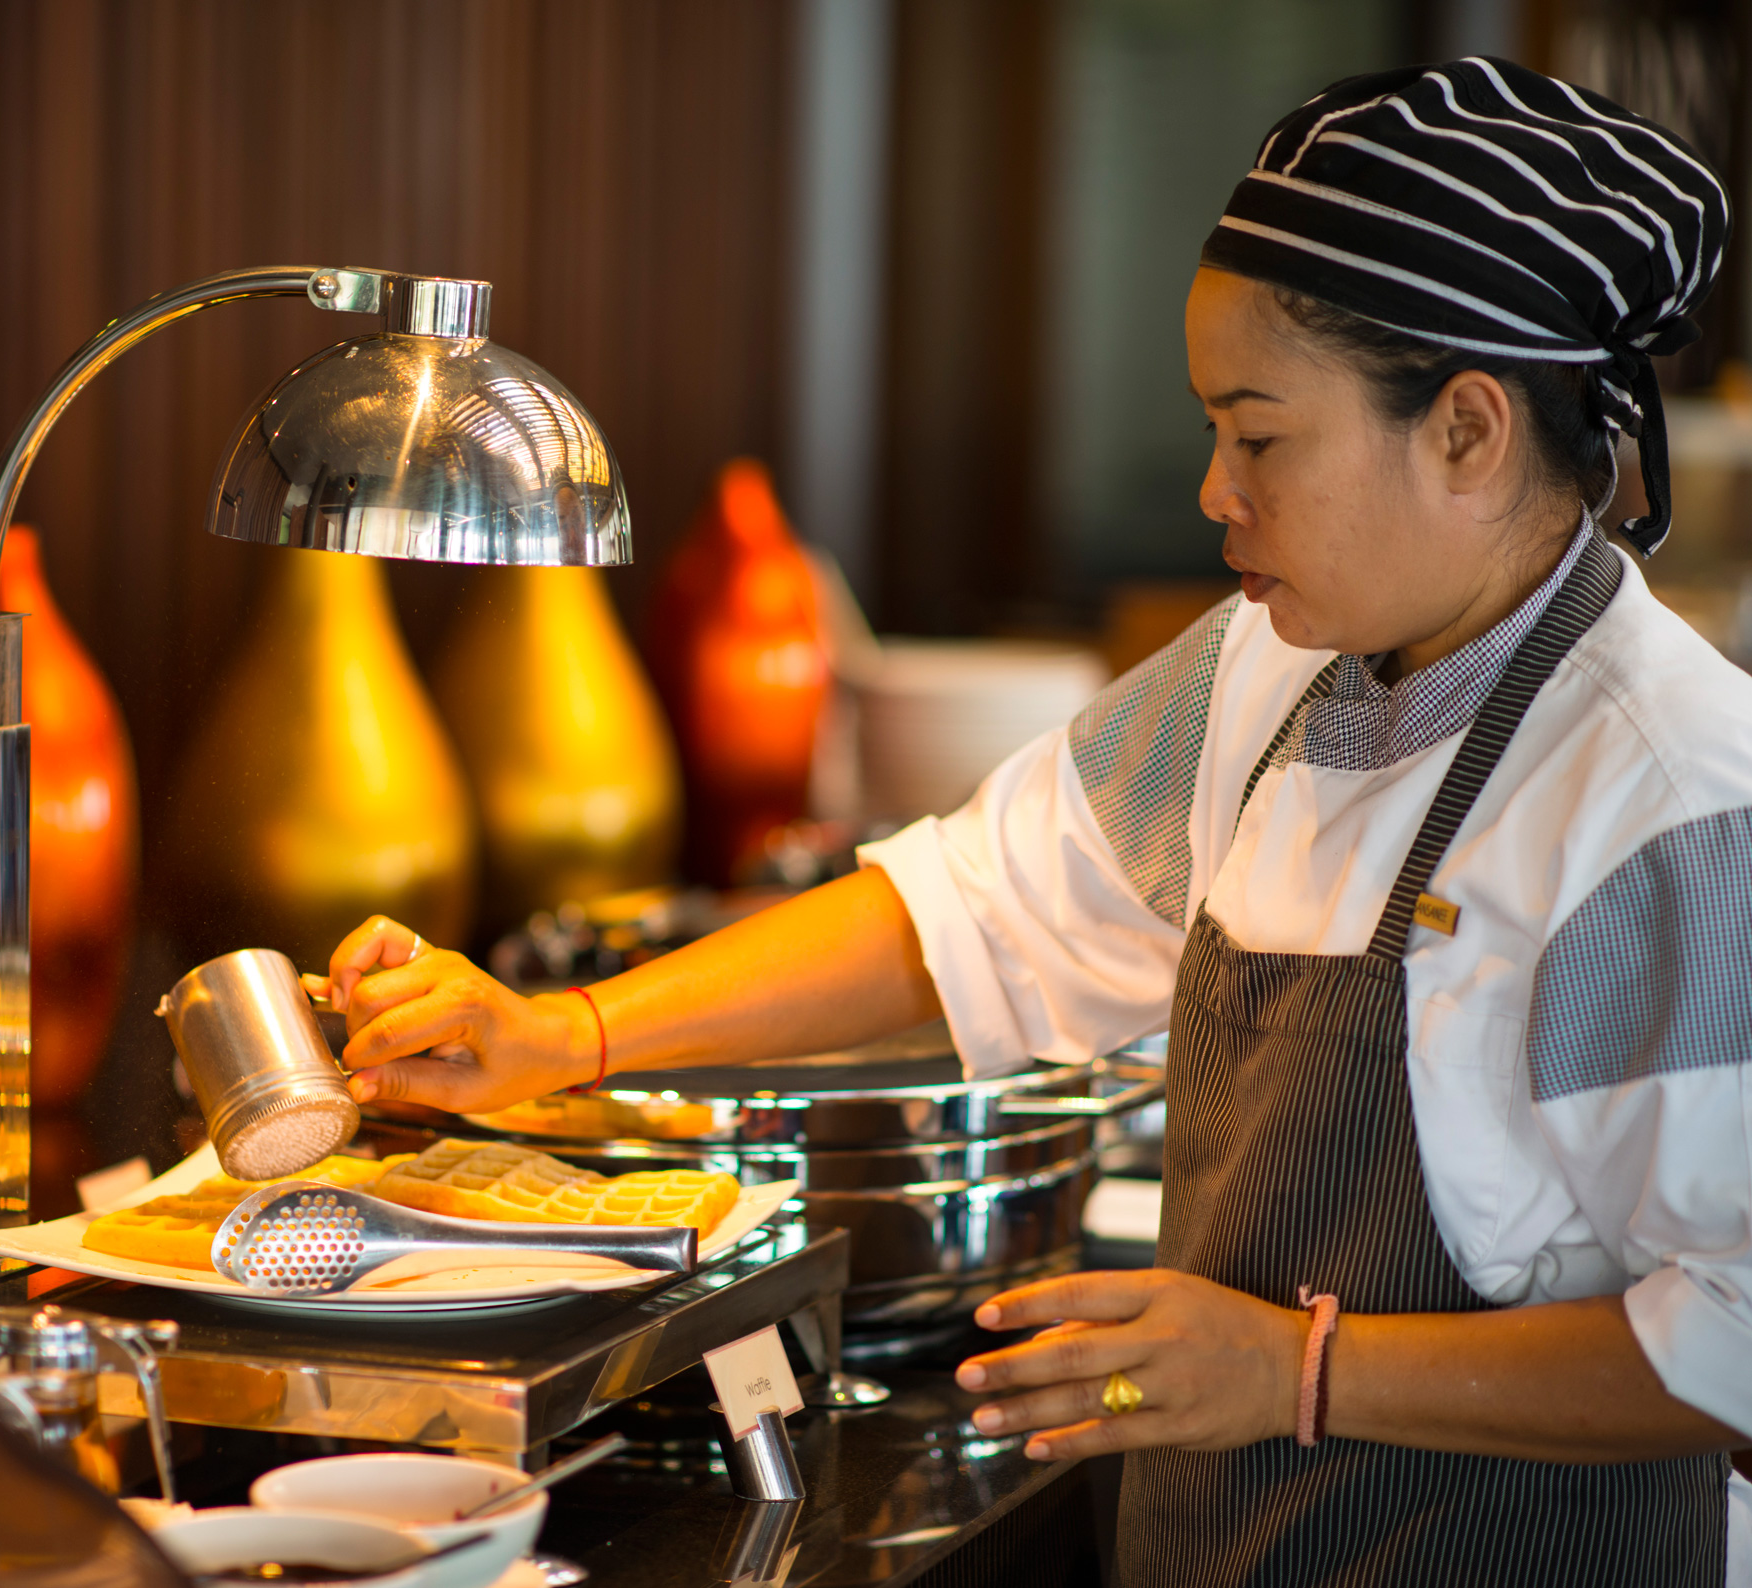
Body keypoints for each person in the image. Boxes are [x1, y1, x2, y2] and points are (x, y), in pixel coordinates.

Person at [305, 58, 1750, 1586]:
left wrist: (1297, 1373)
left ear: (1467, 432)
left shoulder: (1673, 797)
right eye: (1212, 432)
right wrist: (562, 1036)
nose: (1216, 491)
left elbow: (1731, 1337)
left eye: (1261, 438)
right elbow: (971, 913)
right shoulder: (1264, 673)